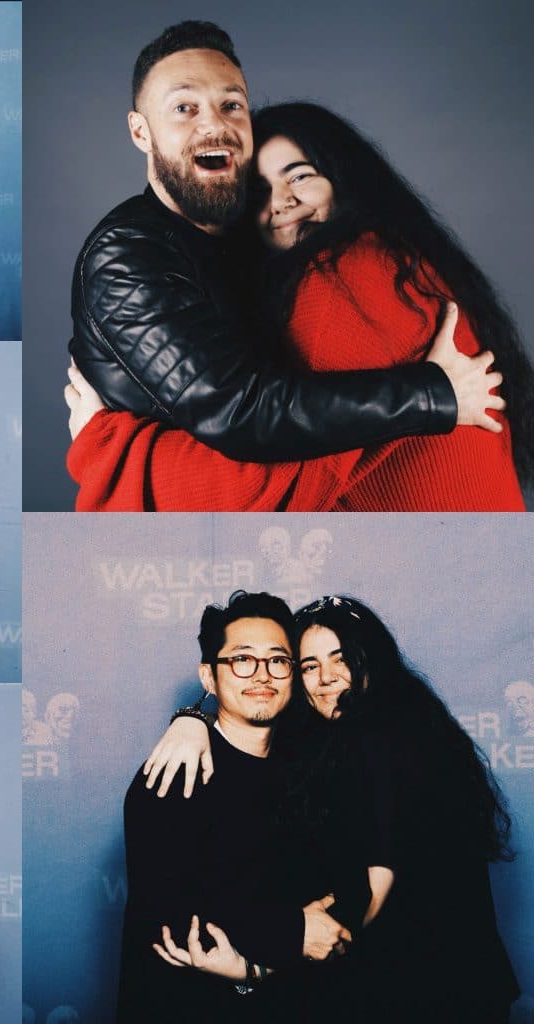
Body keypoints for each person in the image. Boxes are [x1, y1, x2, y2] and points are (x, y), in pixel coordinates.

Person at [66, 20, 506, 511]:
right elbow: (244, 415)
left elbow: (263, 471)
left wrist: (105, 446)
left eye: (231, 105)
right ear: (140, 131)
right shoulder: (130, 253)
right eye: (185, 108)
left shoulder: (349, 275)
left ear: (343, 175)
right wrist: (430, 395)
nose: (214, 125)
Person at [144, 596, 519, 1023]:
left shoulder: (385, 743)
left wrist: (254, 969)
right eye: (309, 665)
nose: (325, 678)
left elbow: (366, 900)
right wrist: (192, 718)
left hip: (436, 991)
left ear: (371, 661)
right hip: (422, 982)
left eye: (341, 659)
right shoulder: (343, 738)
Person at [118, 592, 356, 1023]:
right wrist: (294, 931)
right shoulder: (178, 771)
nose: (262, 674)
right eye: (242, 659)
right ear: (208, 677)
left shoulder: (307, 768)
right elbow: (170, 918)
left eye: (278, 661)